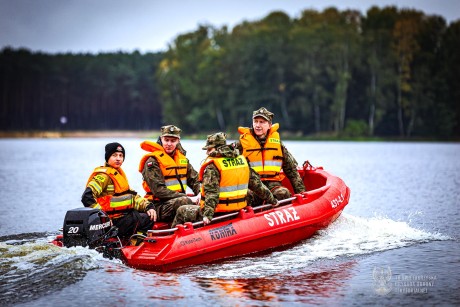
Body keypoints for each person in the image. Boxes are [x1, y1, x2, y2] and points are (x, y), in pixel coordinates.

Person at [172, 132, 278, 227]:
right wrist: (272, 200)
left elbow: (212, 193)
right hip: (237, 209)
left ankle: (170, 236)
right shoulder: (241, 160)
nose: (207, 153)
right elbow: (257, 185)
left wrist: (207, 216)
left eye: (209, 149)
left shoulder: (213, 166)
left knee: (182, 210)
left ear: (217, 148)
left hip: (218, 213)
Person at [81, 142, 156, 239]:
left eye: (121, 156)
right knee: (147, 218)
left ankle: (128, 239)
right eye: (114, 155)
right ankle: (136, 243)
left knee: (145, 213)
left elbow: (132, 197)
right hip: (111, 221)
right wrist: (103, 218)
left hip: (120, 218)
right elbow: (87, 197)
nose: (118, 158)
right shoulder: (103, 176)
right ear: (107, 157)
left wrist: (148, 206)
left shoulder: (118, 175)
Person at [233, 107, 306, 204]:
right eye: (256, 121)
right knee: (244, 196)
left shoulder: (277, 144)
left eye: (262, 122)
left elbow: (291, 171)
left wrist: (302, 194)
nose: (258, 125)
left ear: (269, 125)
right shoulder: (242, 143)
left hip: (273, 186)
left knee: (283, 193)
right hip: (253, 187)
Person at [139, 125, 201, 224]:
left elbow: (195, 179)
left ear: (178, 141)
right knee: (185, 201)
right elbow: (158, 191)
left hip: (178, 200)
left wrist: (200, 193)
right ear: (161, 139)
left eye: (173, 141)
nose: (169, 144)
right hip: (158, 206)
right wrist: (188, 198)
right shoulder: (152, 162)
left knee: (201, 198)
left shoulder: (182, 159)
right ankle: (176, 233)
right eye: (166, 140)